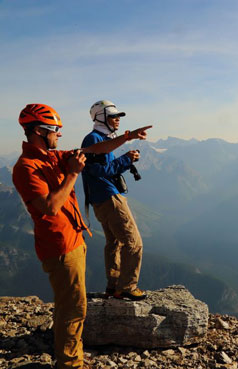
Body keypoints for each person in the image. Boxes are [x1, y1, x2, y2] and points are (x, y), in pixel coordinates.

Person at [12, 103, 151, 369]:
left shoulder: (52, 157)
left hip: (73, 239)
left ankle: (71, 357)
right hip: (60, 246)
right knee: (73, 308)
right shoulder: (26, 167)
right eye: (56, 130)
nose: (60, 135)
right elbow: (50, 207)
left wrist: (128, 136)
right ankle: (70, 363)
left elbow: (96, 149)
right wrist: (74, 172)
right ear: (40, 131)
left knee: (75, 305)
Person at [81, 100, 147, 301]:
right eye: (113, 116)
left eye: (118, 116)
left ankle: (113, 286)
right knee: (134, 242)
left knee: (115, 243)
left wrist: (127, 160)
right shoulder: (93, 139)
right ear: (100, 117)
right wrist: (126, 159)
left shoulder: (102, 138)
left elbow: (103, 169)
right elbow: (99, 171)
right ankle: (127, 286)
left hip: (101, 198)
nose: (117, 120)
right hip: (109, 198)